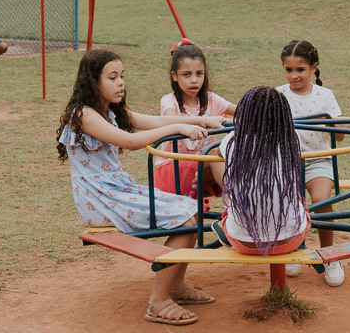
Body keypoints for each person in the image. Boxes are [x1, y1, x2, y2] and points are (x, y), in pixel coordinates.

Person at [56, 49, 225, 326]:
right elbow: (130, 141)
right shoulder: (84, 115)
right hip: (102, 200)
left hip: (118, 191)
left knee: (190, 210)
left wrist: (201, 120)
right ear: (92, 81)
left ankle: (176, 286)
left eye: (122, 76)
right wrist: (181, 129)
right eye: (112, 77)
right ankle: (158, 302)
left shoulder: (108, 111)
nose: (120, 82)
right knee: (185, 218)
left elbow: (156, 120)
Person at [276, 39, 346, 286]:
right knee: (290, 204)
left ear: (314, 68)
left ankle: (329, 255)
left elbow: (340, 135)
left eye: (300, 69)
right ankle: (295, 249)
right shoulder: (278, 94)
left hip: (318, 159)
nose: (294, 76)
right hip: (286, 162)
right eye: (288, 69)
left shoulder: (324, 95)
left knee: (321, 201)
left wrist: (330, 123)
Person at [211, 86, 311, 256]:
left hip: (243, 243)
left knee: (215, 159)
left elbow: (218, 153)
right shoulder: (292, 138)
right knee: (298, 198)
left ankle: (230, 193)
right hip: (291, 241)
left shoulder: (233, 140)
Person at [155, 39, 236, 208]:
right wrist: (204, 121)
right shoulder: (170, 101)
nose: (194, 80)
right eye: (187, 74)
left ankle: (244, 198)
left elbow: (240, 110)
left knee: (233, 154)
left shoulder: (211, 99)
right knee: (215, 152)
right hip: (173, 168)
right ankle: (235, 201)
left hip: (201, 169)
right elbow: (170, 120)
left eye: (199, 74)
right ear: (174, 76)